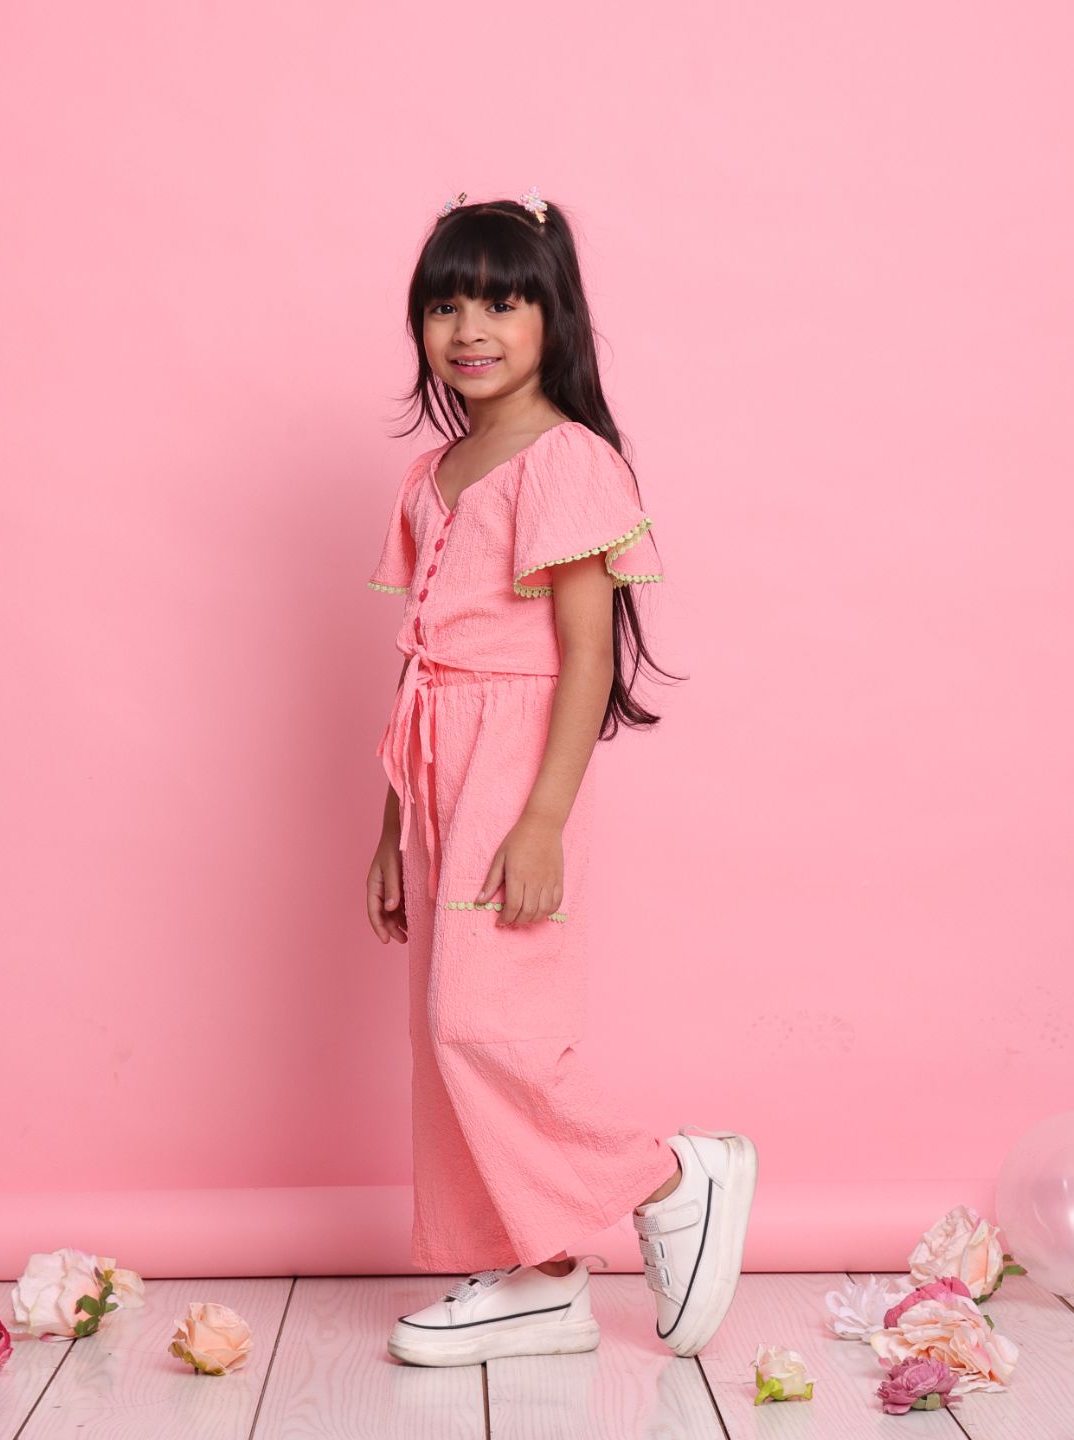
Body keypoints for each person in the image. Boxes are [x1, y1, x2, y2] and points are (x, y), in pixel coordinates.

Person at [365, 187, 758, 1368]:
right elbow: (419, 660)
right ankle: (535, 1276)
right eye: (445, 305)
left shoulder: (567, 460)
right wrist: (389, 828)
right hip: (436, 757)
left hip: (516, 754)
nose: (469, 328)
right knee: (442, 1037)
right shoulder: (435, 470)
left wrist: (541, 819)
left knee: (485, 1021)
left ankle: (668, 1174)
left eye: (500, 302)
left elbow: (587, 653)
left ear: (553, 318)